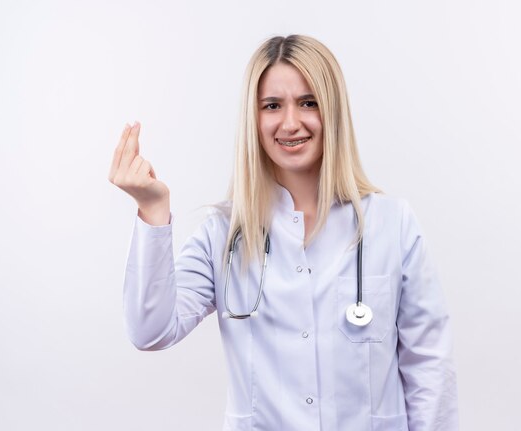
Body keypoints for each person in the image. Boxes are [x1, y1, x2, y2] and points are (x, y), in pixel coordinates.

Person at [108, 35, 458, 431]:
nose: (291, 123)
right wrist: (152, 210)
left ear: (333, 112)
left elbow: (429, 365)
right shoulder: (224, 234)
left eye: (308, 102)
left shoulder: (391, 224)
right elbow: (150, 331)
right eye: (272, 106)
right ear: (254, 120)